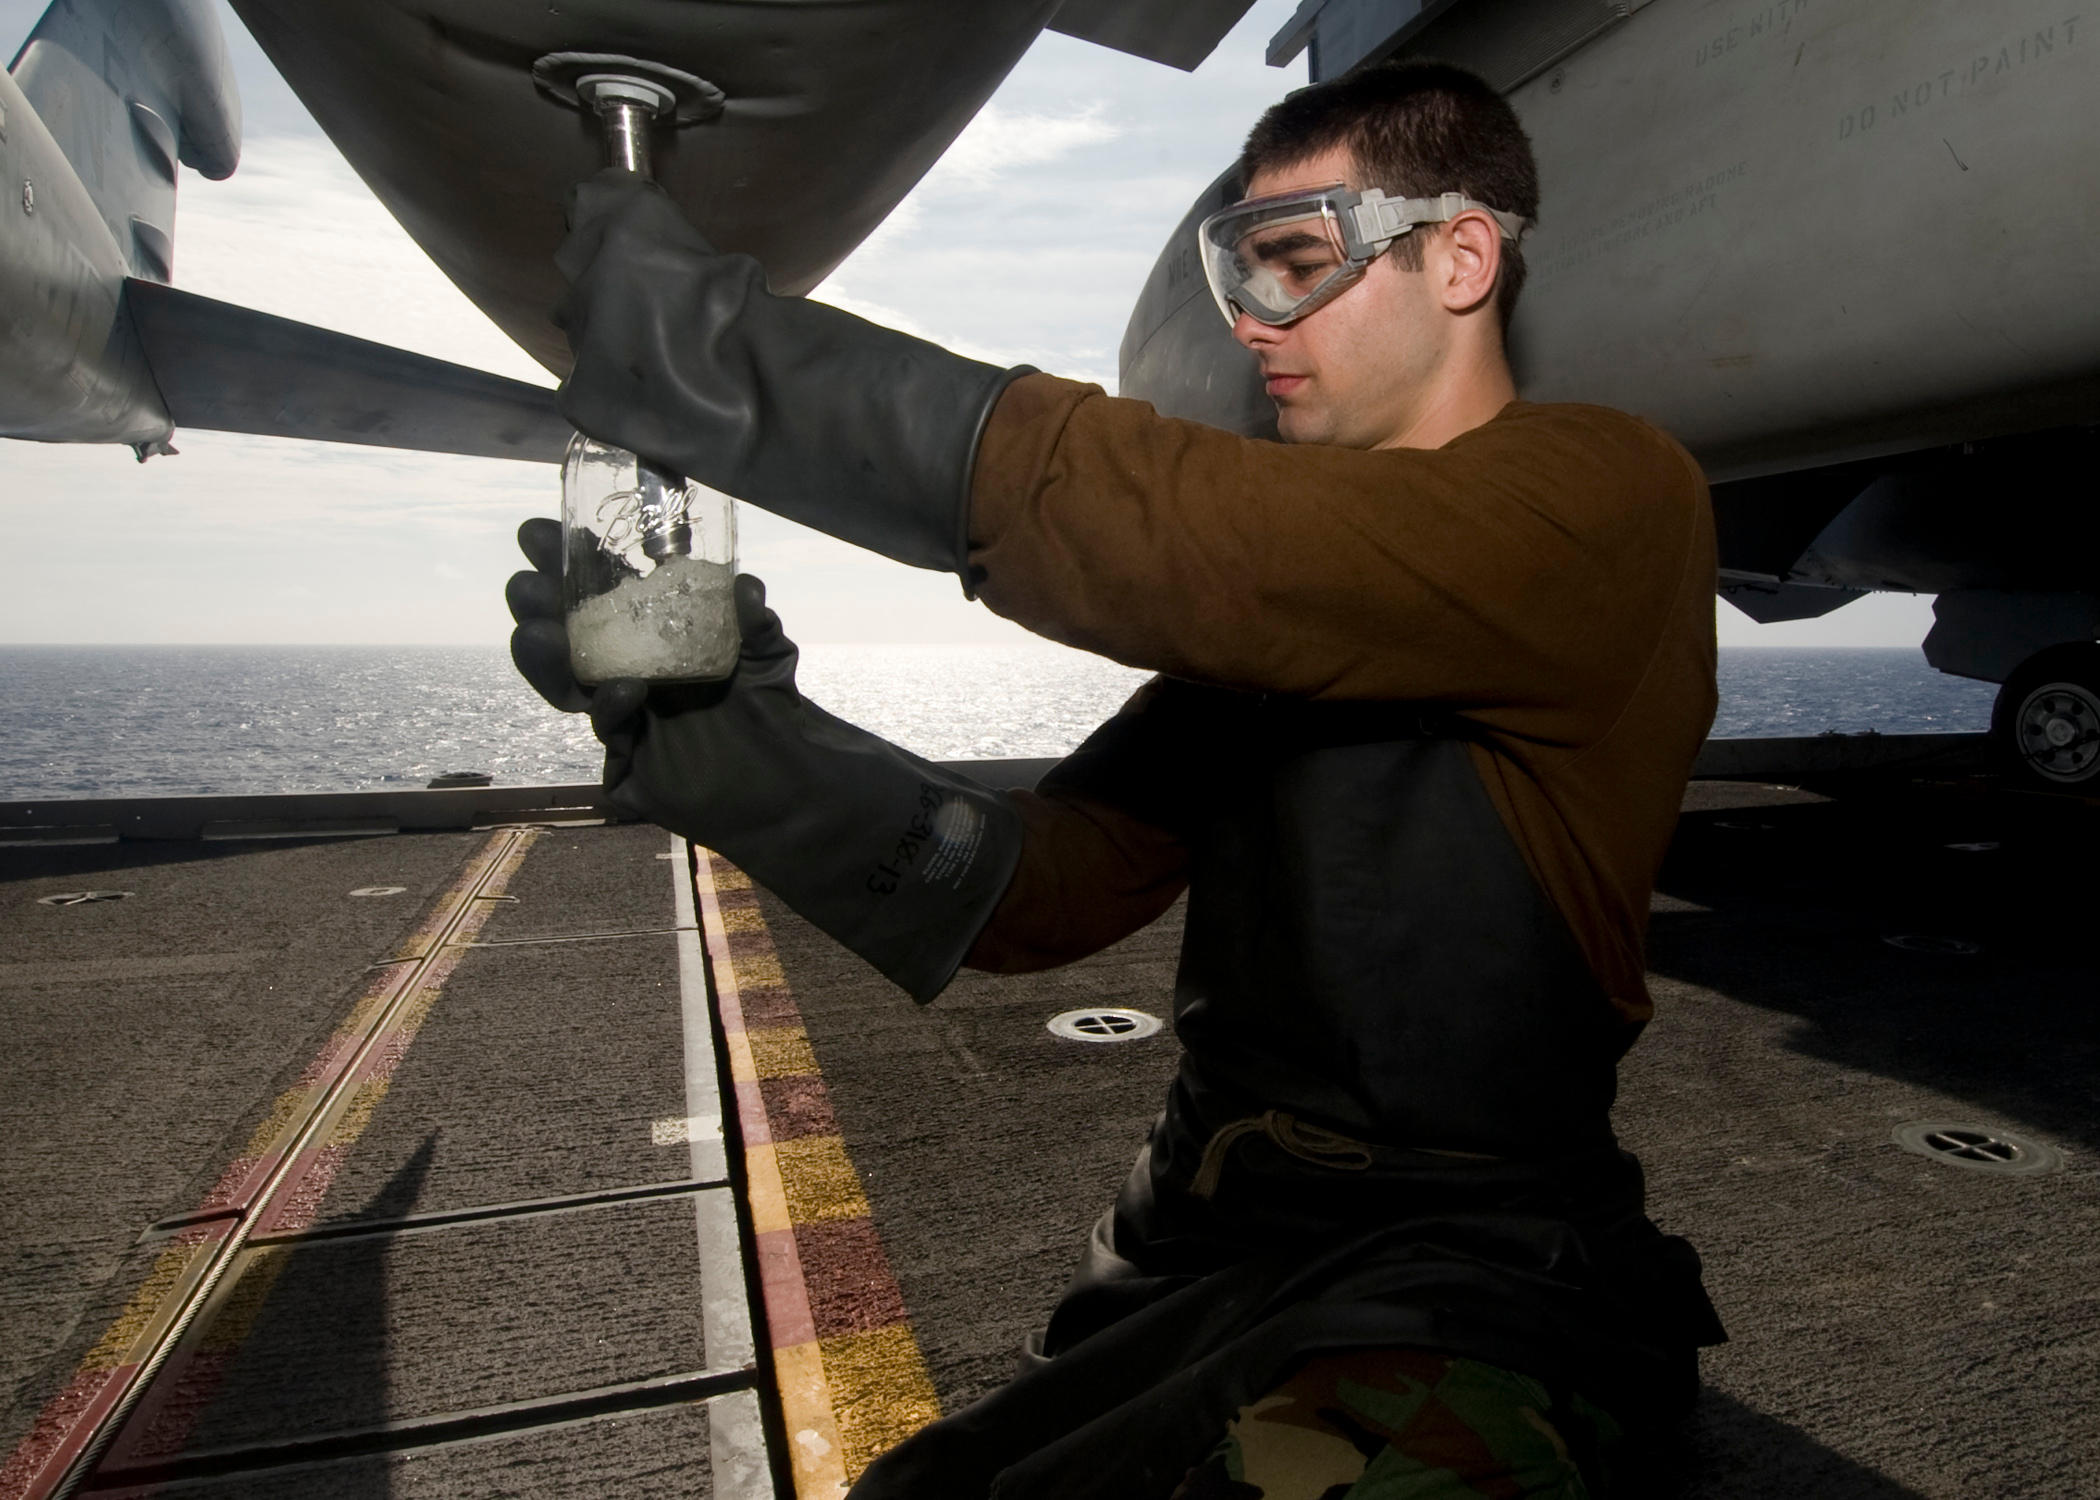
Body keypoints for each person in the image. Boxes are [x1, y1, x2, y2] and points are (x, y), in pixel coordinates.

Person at [510, 60, 1725, 1499]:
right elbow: (1040, 882)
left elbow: (1191, 538)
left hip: (1464, 1278)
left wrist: (725, 358)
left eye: (1296, 263)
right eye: (1239, 271)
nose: (1251, 320)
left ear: (1462, 256)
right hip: (1193, 1260)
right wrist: (732, 737)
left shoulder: (1606, 500)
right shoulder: (1286, 625)